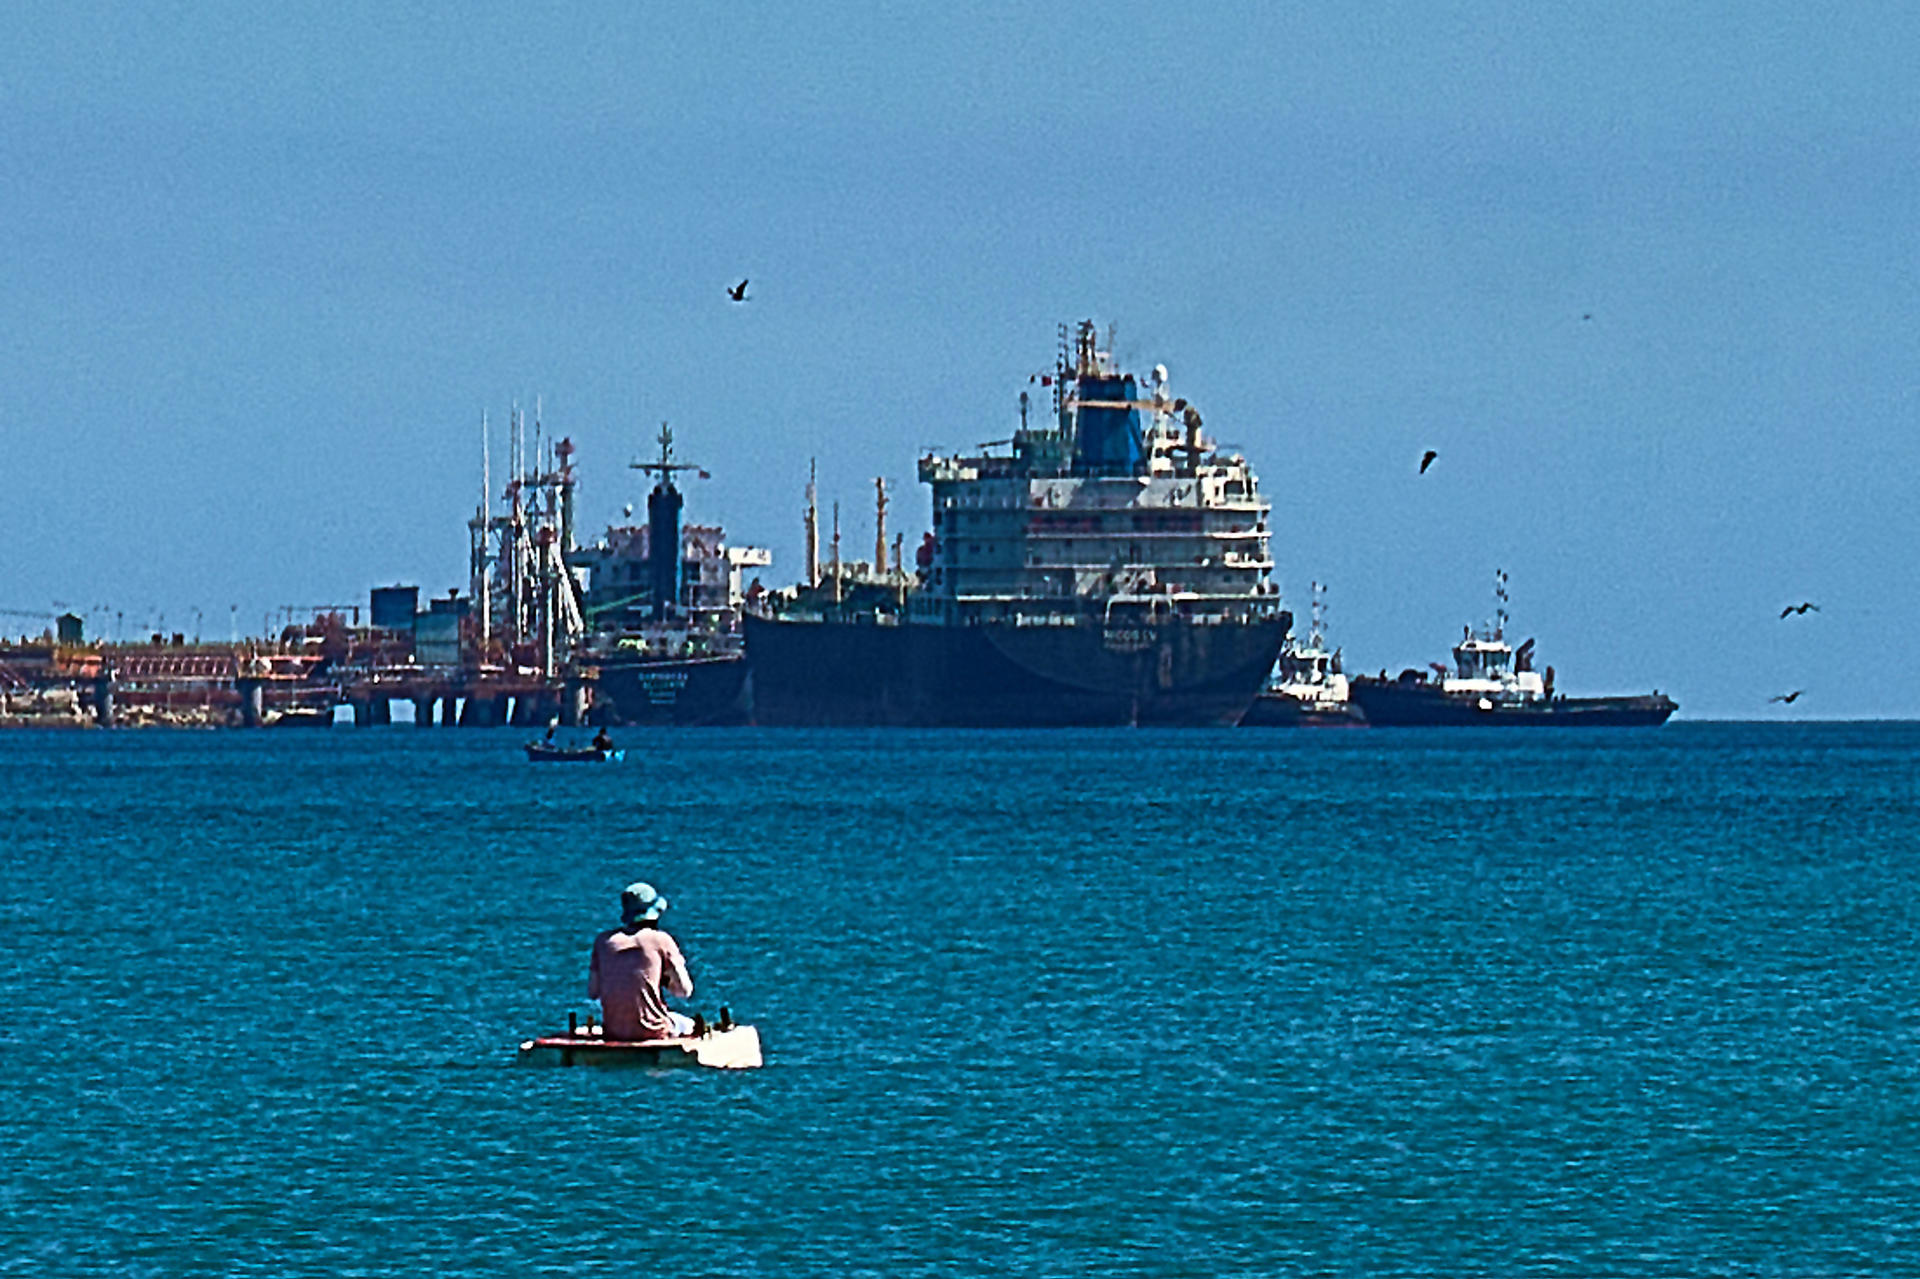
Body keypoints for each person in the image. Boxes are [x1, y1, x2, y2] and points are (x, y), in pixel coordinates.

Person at [587, 881, 693, 1040]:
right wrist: (665, 980)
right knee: (688, 1024)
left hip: (613, 1032)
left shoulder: (603, 942)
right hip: (654, 1031)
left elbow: (593, 992)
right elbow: (684, 991)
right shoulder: (660, 940)